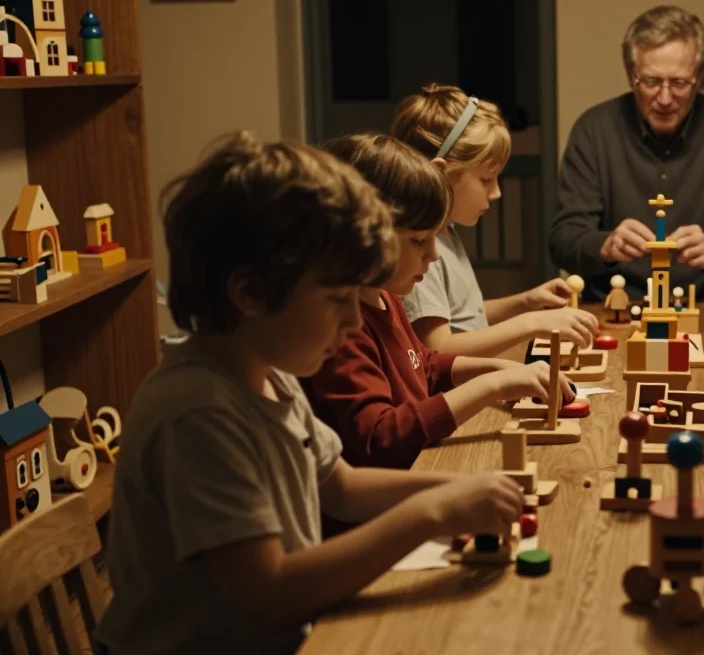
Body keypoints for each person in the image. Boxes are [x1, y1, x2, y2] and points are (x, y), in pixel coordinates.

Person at [95, 133, 525, 654]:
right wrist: (431, 513)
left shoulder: (267, 375)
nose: (352, 320)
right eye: (338, 297)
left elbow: (339, 484)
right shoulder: (199, 413)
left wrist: (461, 490)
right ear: (249, 292)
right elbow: (270, 596)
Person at [302, 133, 574, 470]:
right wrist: (493, 385)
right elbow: (381, 435)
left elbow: (423, 366)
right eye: (419, 240)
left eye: (434, 238)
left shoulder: (385, 296)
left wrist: (504, 370)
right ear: (366, 234)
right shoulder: (343, 327)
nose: (432, 255)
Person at [548, 4, 704, 302]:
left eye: (680, 83)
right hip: (615, 305)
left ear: (699, 75)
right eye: (652, 82)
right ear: (631, 75)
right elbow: (562, 239)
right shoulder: (593, 130)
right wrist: (605, 245)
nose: (666, 98)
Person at [391, 84, 597, 356]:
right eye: (486, 179)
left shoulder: (446, 233)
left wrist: (526, 302)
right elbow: (439, 349)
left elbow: (464, 318)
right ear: (442, 173)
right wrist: (532, 324)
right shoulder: (421, 251)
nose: (497, 192)